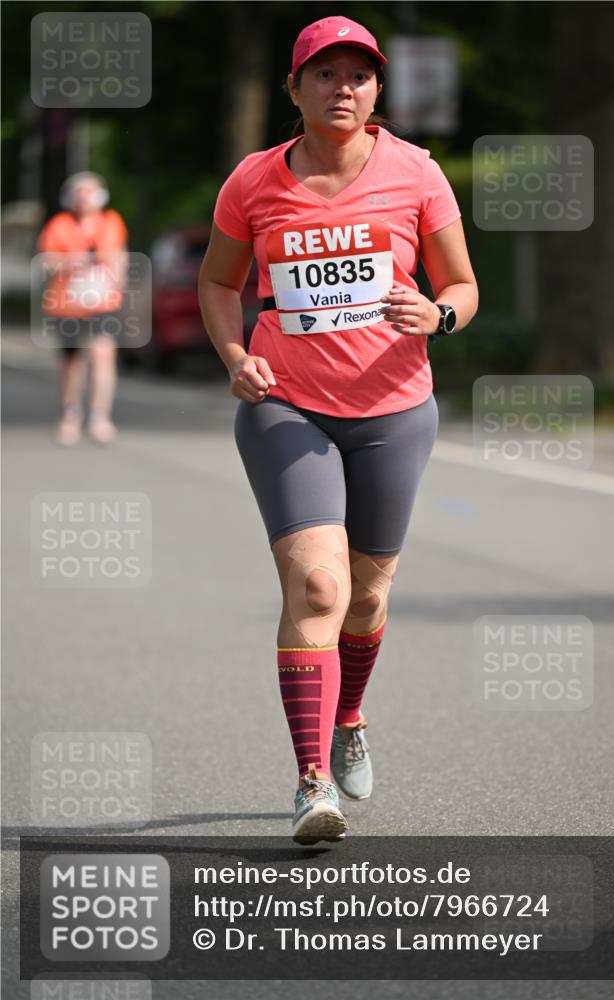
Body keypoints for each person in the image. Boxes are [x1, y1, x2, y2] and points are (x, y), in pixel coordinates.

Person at [198, 15, 478, 845]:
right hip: (287, 403)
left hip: (395, 409)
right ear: (295, 89)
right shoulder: (252, 181)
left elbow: (461, 284)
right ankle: (310, 780)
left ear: (377, 90)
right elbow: (220, 283)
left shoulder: (417, 174)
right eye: (324, 74)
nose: (342, 87)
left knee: (365, 594)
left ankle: (349, 712)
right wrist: (231, 353)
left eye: (358, 75)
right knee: (317, 587)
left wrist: (437, 314)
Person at [37, 171, 128, 445]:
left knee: (103, 355)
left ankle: (100, 417)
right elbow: (46, 261)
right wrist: (74, 262)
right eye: (79, 192)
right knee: (72, 362)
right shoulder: (59, 224)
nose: (84, 198)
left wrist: (118, 281)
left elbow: (119, 256)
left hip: (102, 301)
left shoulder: (111, 222)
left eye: (89, 192)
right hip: (67, 303)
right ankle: (70, 413)